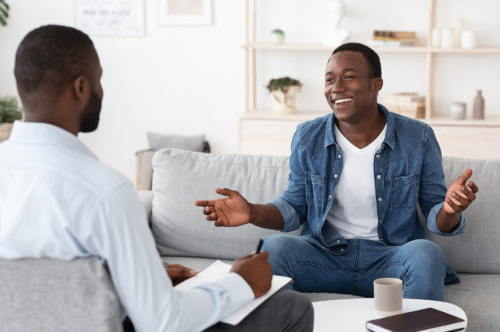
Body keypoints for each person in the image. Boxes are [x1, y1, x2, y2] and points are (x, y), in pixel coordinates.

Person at [0, 25, 313, 332]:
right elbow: (164, 322)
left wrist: (144, 278)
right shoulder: (104, 191)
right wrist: (240, 283)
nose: (101, 91)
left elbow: (46, 291)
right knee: (292, 308)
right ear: (81, 87)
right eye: (99, 80)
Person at [196, 42, 478, 301]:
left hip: (389, 262)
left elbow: (436, 217)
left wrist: (451, 209)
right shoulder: (308, 136)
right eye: (330, 79)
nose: (336, 87)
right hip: (324, 258)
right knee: (276, 248)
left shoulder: (418, 137)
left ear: (375, 84)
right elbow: (295, 206)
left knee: (426, 253)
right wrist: (251, 212)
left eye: (349, 76)